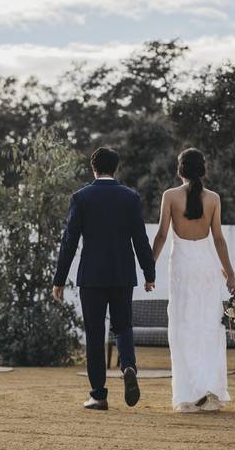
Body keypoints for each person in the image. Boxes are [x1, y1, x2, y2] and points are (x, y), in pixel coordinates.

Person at [52, 147, 156, 410]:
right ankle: (128, 366)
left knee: (95, 334)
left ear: (93, 168)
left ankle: (98, 395)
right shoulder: (130, 197)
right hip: (123, 274)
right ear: (116, 168)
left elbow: (69, 241)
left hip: (92, 276)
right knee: (123, 327)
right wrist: (149, 273)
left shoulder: (81, 197)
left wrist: (59, 279)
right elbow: (140, 239)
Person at [151, 147, 235, 413]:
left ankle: (188, 394)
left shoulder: (170, 196)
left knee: (183, 328)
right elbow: (219, 239)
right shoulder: (213, 198)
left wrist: (148, 267)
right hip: (207, 266)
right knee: (209, 328)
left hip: (182, 267)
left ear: (180, 169)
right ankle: (209, 390)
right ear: (203, 169)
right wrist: (230, 274)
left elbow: (162, 235)